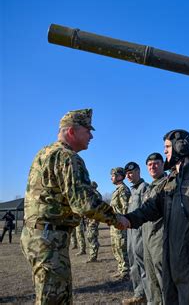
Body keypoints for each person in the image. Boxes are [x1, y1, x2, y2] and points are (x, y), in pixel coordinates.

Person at [20, 108, 123, 304]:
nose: (91, 136)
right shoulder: (68, 157)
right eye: (87, 130)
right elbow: (84, 203)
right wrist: (116, 219)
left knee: (51, 294)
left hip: (38, 236)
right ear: (72, 131)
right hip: (50, 240)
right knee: (55, 299)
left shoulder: (44, 153)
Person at [118, 129, 189, 304]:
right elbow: (150, 208)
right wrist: (128, 219)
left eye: (167, 147)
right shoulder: (170, 182)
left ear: (180, 147)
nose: (165, 151)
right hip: (170, 258)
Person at [141, 152, 167, 305]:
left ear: (163, 164)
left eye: (156, 163)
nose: (153, 167)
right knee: (151, 280)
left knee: (163, 280)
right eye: (149, 165)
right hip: (147, 240)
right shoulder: (149, 188)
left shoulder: (167, 183)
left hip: (160, 239)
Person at [123, 161, 149, 305]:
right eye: (127, 173)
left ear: (139, 172)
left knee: (143, 264)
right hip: (131, 233)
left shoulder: (145, 188)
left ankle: (148, 295)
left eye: (131, 172)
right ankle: (139, 294)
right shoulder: (132, 191)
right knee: (133, 264)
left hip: (141, 232)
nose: (129, 175)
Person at [110, 167, 131, 280]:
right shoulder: (117, 190)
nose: (111, 178)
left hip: (121, 225)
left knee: (122, 247)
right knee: (116, 247)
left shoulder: (123, 190)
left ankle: (126, 271)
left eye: (113, 175)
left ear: (120, 176)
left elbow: (126, 208)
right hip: (115, 225)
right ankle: (121, 269)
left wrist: (123, 222)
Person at [85, 181, 101, 263]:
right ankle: (92, 255)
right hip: (90, 219)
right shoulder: (94, 194)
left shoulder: (95, 195)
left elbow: (97, 207)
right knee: (90, 237)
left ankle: (93, 256)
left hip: (93, 219)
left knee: (92, 237)